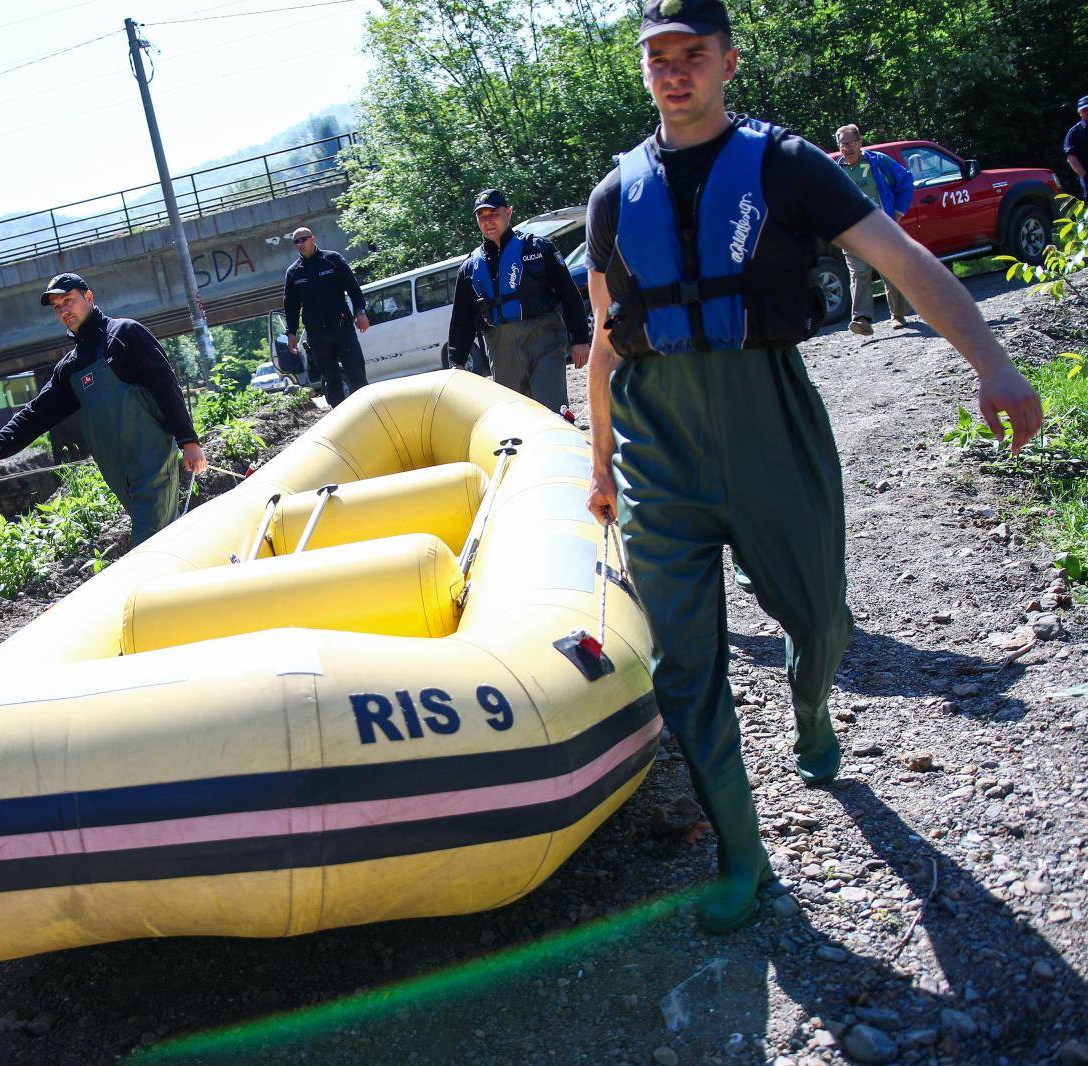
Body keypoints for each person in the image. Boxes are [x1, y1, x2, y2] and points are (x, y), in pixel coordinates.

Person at [582, 0, 1043, 933]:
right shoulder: (610, 195)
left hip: (769, 418)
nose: (674, 73)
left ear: (728, 62)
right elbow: (602, 340)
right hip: (655, 441)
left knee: (818, 615)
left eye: (693, 55)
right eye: (658, 59)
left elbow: (902, 258)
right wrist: (599, 464)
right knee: (685, 664)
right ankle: (742, 856)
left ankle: (812, 707)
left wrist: (992, 362)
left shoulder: (786, 166)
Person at [0, 273, 206, 545]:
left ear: (88, 298)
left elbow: (165, 386)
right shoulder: (70, 367)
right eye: (57, 307)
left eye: (68, 300)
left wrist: (188, 440)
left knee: (149, 543)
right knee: (165, 538)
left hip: (152, 463)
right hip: (118, 473)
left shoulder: (125, 334)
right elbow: (38, 412)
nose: (64, 310)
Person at [447, 189, 592, 414]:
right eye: (482, 216)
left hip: (545, 341)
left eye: (494, 213)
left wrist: (580, 338)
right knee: (517, 416)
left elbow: (569, 293)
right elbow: (461, 318)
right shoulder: (469, 268)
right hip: (501, 348)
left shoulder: (539, 249)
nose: (488, 221)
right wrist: (456, 361)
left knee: (552, 411)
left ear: (509, 213)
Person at [835, 123, 916, 333]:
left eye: (851, 142)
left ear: (860, 142)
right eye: (843, 144)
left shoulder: (878, 161)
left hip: (881, 227)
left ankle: (898, 315)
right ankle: (861, 319)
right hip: (853, 232)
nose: (848, 147)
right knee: (859, 273)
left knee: (889, 270)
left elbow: (906, 179)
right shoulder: (836, 170)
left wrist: (898, 211)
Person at [282, 227, 370, 407]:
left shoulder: (332, 260)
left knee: (357, 374)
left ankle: (370, 412)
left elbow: (353, 288)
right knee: (332, 381)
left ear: (312, 238)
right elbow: (290, 305)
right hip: (317, 335)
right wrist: (290, 332)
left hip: (342, 329)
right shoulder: (294, 272)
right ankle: (341, 422)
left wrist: (360, 312)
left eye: (303, 239)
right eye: (296, 242)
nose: (300, 244)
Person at [1065, 94, 1088, 205]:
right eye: (1085, 109)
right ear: (1080, 113)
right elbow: (1071, 157)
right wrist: (1085, 176)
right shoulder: (1075, 132)